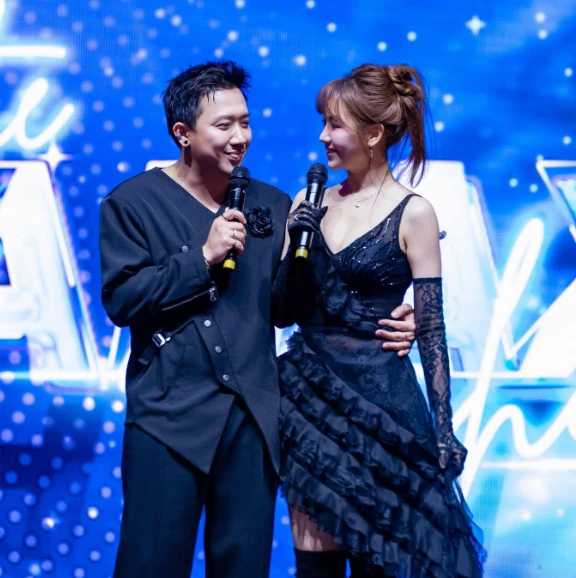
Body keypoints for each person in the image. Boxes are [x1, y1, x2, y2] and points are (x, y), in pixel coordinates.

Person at [99, 60, 417, 578]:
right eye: (224, 125)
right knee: (150, 564)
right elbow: (122, 301)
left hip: (252, 424)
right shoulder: (132, 202)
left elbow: (292, 308)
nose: (240, 137)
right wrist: (201, 258)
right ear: (182, 133)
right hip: (167, 419)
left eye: (245, 123)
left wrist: (392, 312)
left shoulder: (271, 203)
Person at [272, 63, 486, 577]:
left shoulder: (414, 212)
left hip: (385, 408)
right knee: (315, 566)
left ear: (373, 134)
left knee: (386, 563)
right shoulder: (308, 202)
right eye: (323, 123)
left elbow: (429, 328)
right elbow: (280, 312)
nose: (322, 137)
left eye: (334, 125)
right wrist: (297, 245)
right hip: (311, 405)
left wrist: (444, 428)